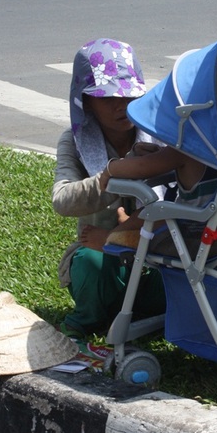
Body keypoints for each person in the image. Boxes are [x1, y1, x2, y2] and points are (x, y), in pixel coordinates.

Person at [52, 38, 166, 339]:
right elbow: (62, 200)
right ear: (85, 101)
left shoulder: (157, 135)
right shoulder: (73, 142)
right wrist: (113, 177)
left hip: (156, 250)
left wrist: (129, 230)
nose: (121, 106)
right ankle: (88, 320)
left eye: (128, 95)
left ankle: (145, 313)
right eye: (108, 98)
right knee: (91, 265)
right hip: (102, 254)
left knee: (187, 273)